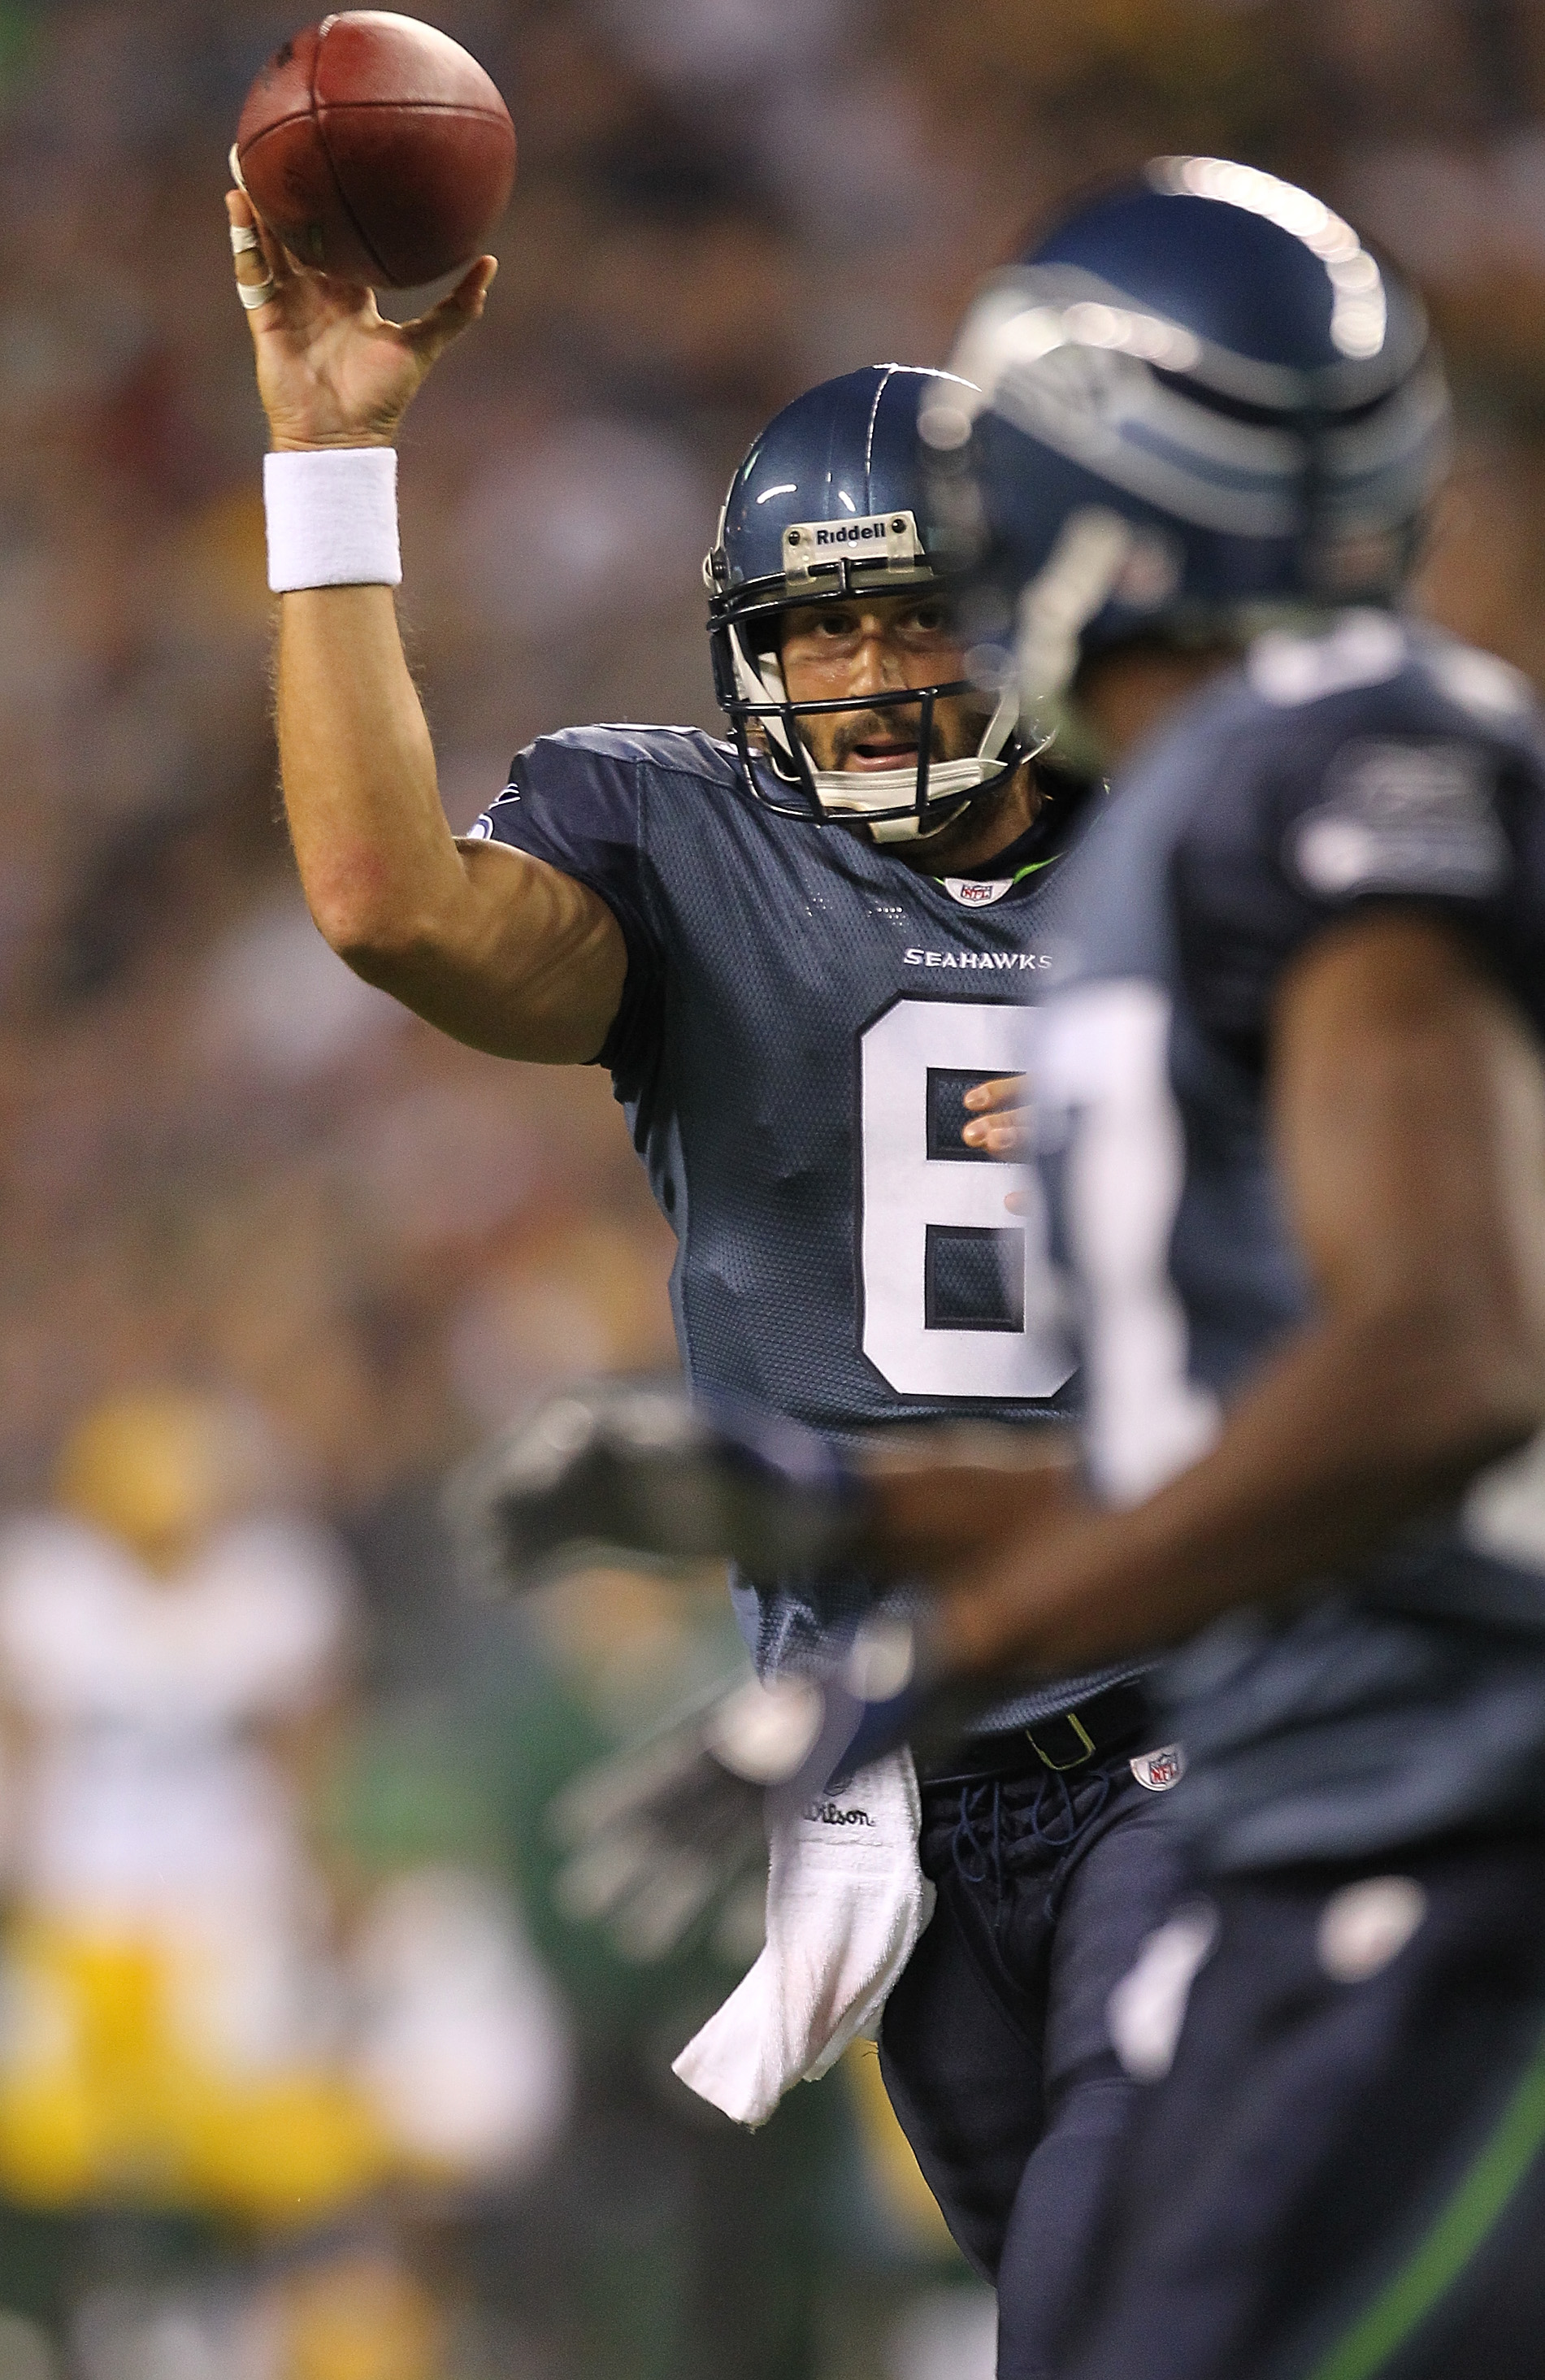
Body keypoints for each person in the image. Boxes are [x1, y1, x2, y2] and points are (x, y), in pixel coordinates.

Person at [225, 184, 1186, 2365]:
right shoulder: (689, 846)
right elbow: (389, 907)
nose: (860, 681)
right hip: (909, 1787)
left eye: (913, 619)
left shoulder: (1207, 825)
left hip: (1211, 1707)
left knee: (1185, 2282)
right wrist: (326, 455)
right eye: (815, 632)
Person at [831, 159, 1545, 2378]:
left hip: (1451, 1848)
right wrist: (831, 1521)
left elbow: (1442, 1358)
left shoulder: (1331, 758)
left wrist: (971, 1638)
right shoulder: (1231, 789)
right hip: (1334, 1834)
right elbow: (1251, 1440)